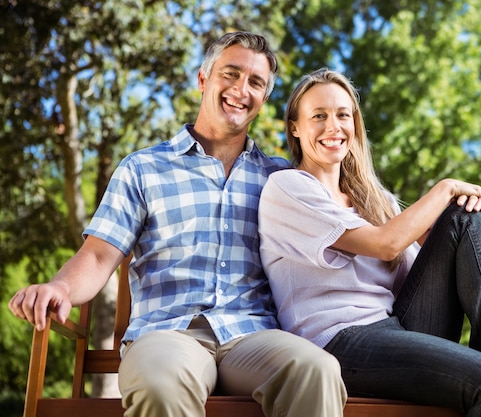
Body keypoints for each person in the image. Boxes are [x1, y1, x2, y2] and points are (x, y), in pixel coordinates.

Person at [8, 34, 346, 417]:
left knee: (317, 369)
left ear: (264, 98)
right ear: (203, 80)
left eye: (255, 82)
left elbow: (348, 222)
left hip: (254, 336)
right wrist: (60, 287)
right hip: (166, 334)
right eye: (230, 74)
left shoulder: (281, 177)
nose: (240, 89)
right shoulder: (144, 168)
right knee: (160, 385)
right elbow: (100, 254)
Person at [258, 68, 481, 416]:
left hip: (396, 327)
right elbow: (386, 244)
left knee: (466, 215)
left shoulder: (374, 199)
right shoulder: (288, 187)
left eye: (343, 115)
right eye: (319, 116)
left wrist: (463, 225)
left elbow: (413, 268)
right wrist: (447, 188)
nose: (334, 126)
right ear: (295, 127)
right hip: (339, 343)